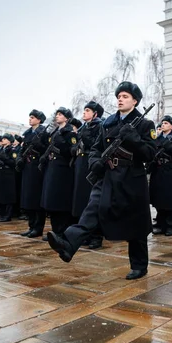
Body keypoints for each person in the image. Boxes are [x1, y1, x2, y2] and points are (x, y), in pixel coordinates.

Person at [47, 82, 157, 280]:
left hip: (132, 178)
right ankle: (68, 244)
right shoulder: (108, 123)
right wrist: (95, 161)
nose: (120, 99)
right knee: (93, 209)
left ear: (135, 101)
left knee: (136, 222)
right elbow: (96, 148)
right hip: (108, 175)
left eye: (125, 96)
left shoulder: (144, 124)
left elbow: (150, 154)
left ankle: (139, 265)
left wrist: (134, 139)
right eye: (119, 96)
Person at [40, 106, 77, 238]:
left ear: (67, 118)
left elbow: (72, 152)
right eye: (57, 114)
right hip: (52, 167)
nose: (57, 116)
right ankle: (55, 230)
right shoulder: (55, 132)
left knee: (61, 201)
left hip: (63, 170)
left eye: (61, 114)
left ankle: (61, 231)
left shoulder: (70, 133)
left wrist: (61, 147)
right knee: (52, 201)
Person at [71, 102, 104, 248]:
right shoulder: (84, 127)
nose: (84, 113)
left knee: (93, 201)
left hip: (92, 165)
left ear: (95, 114)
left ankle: (96, 236)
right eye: (84, 110)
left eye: (88, 110)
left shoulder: (99, 126)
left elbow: (97, 146)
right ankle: (84, 234)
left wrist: (85, 137)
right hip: (81, 163)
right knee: (81, 200)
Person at [150, 115, 172, 236]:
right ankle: (160, 224)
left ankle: (170, 225)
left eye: (166, 123)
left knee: (170, 200)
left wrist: (170, 149)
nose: (163, 125)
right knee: (159, 199)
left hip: (171, 171)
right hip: (158, 170)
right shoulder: (157, 139)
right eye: (162, 123)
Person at [19, 109, 48, 238]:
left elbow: (47, 150)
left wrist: (40, 145)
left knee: (36, 199)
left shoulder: (44, 132)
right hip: (28, 166)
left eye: (32, 117)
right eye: (29, 117)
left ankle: (38, 227)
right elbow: (22, 149)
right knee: (28, 198)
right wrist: (19, 158)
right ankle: (31, 226)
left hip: (38, 168)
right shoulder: (27, 133)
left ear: (39, 119)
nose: (30, 119)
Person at [0, 134, 18, 222]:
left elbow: (13, 163)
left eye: (5, 139)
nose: (3, 140)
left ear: (9, 141)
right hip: (0, 173)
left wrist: (5, 158)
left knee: (8, 195)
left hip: (8, 174)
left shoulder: (12, 150)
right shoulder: (1, 149)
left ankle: (7, 215)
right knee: (0, 194)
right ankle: (1, 213)